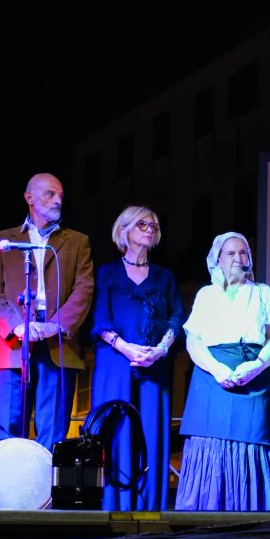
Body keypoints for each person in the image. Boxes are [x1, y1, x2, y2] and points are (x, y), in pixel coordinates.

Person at [0, 173, 94, 450]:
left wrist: (56, 325)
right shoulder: (1, 241)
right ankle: (8, 480)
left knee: (53, 433)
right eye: (50, 194)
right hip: (11, 345)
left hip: (58, 343)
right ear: (29, 197)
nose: (57, 200)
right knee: (7, 431)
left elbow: (84, 289)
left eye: (60, 196)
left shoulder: (77, 241)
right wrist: (17, 326)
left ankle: (44, 481)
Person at [175, 232, 270, 511]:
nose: (238, 258)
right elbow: (193, 340)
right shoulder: (207, 295)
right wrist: (217, 369)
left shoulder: (262, 292)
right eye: (231, 253)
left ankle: (254, 514)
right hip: (211, 377)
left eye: (243, 252)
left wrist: (256, 366)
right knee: (210, 441)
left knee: (254, 442)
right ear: (218, 260)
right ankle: (206, 513)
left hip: (254, 379)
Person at [90, 206, 184, 511]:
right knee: (115, 433)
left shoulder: (165, 277)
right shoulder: (107, 272)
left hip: (154, 366)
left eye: (154, 225)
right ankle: (113, 510)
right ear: (124, 230)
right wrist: (127, 348)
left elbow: (176, 320)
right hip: (115, 364)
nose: (150, 228)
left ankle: (150, 513)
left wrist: (160, 350)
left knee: (152, 434)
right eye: (142, 224)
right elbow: (100, 321)